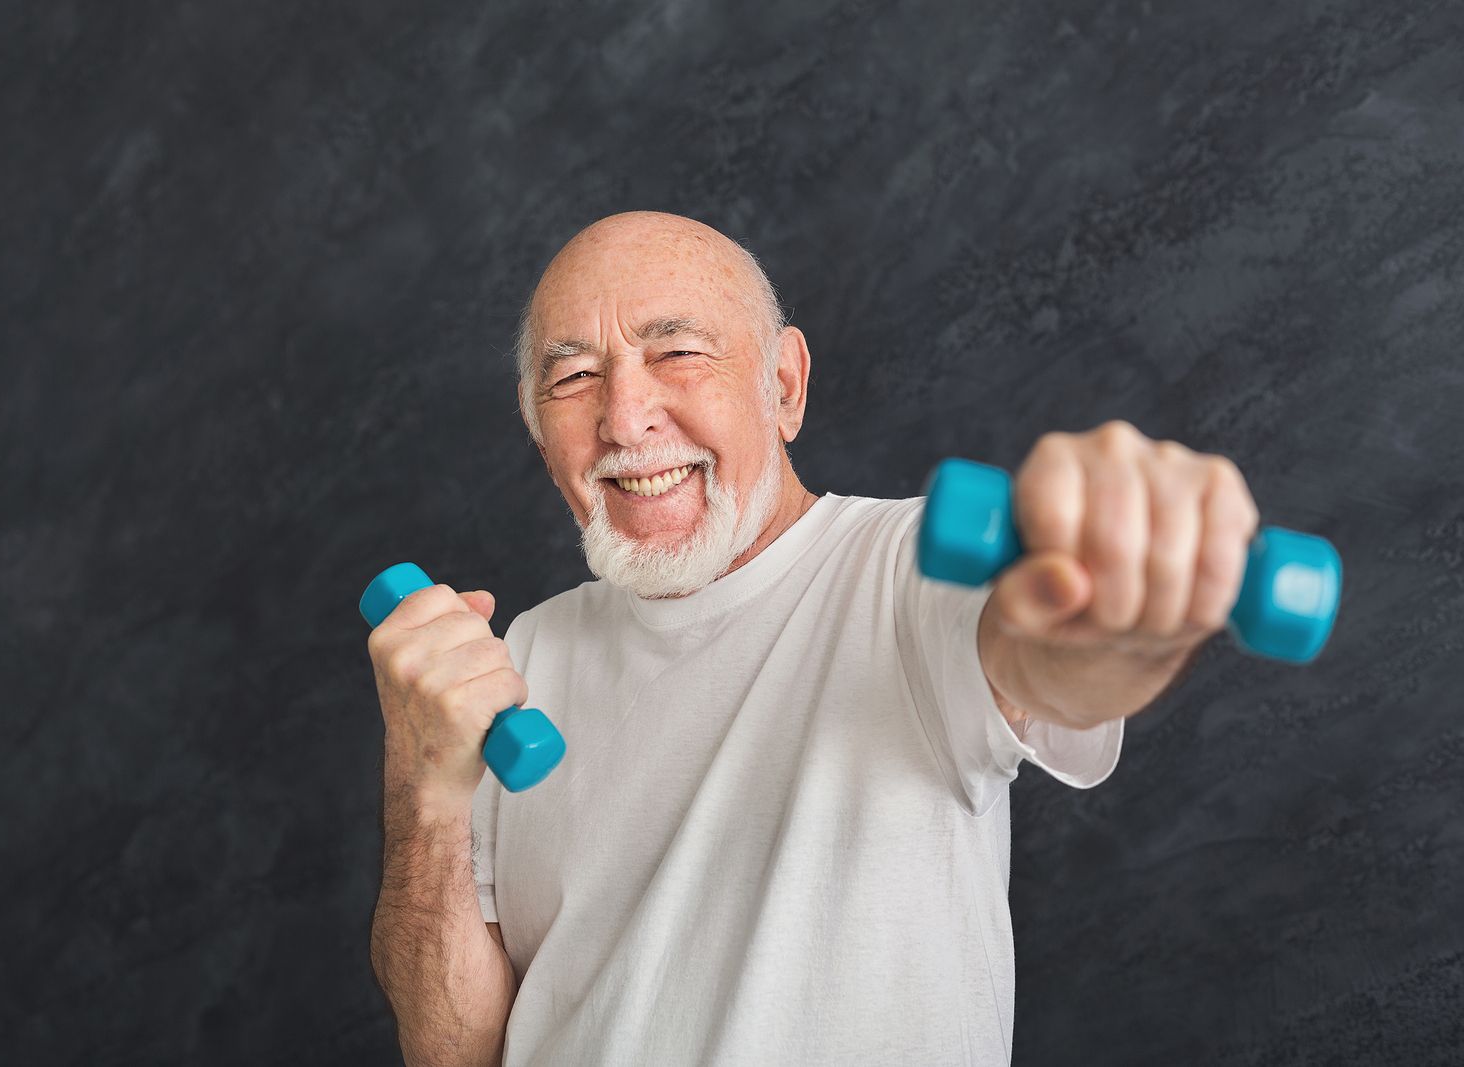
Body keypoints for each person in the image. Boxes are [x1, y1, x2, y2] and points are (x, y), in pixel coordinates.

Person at [366, 211, 1261, 1065]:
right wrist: (425, 790)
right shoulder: (524, 653)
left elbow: (1058, 663)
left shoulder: (912, 573)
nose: (625, 417)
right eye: (574, 378)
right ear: (538, 427)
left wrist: (1129, 607)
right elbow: (453, 1052)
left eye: (678, 352)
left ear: (784, 386)